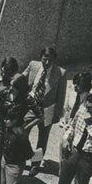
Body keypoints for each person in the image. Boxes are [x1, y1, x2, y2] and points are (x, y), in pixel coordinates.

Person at [20, 47, 66, 175]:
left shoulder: (60, 73)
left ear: (54, 60)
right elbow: (21, 79)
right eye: (45, 59)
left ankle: (35, 165)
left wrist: (57, 114)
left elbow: (61, 95)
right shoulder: (33, 65)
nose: (47, 63)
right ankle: (23, 156)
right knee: (23, 132)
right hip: (30, 106)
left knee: (43, 138)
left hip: (47, 110)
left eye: (50, 60)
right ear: (41, 58)